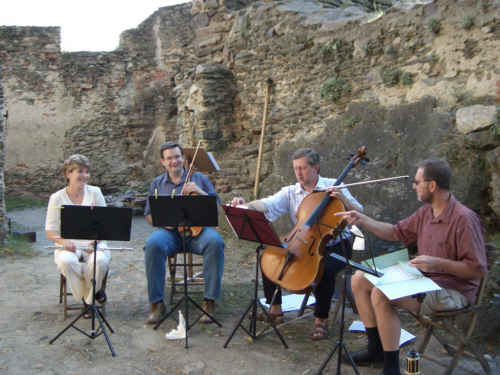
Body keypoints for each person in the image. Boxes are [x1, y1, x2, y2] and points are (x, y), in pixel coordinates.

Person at [337, 159, 488, 375]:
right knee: (359, 278)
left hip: (451, 291)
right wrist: (362, 220)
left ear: (432, 185)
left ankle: (391, 367)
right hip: (422, 280)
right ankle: (375, 350)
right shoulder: (426, 212)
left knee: (381, 292)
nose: (414, 186)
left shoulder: (464, 219)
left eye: (417, 182)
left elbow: (477, 270)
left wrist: (438, 263)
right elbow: (394, 232)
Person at [230, 148, 363, 340]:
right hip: (302, 242)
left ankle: (320, 321)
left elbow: (359, 211)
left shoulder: (334, 186)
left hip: (336, 246)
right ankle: (275, 310)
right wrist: (246, 205)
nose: (299, 173)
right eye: (295, 169)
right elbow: (266, 204)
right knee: (270, 255)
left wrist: (342, 198)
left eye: (303, 168)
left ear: (316, 167)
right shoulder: (291, 192)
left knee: (323, 269)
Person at [143, 141, 225, 324]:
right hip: (170, 234)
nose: (174, 161)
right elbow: (148, 215)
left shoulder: (199, 179)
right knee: (153, 244)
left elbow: (217, 207)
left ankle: (209, 301)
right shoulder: (156, 184)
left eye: (177, 157)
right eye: (169, 158)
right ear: (163, 162)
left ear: (183, 158)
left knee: (215, 242)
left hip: (199, 231)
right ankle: (156, 303)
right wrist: (163, 222)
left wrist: (198, 191)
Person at [45, 154, 110, 312]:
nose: (85, 176)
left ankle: (87, 302)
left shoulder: (95, 192)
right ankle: (93, 294)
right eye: (80, 171)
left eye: (87, 172)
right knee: (67, 262)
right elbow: (50, 230)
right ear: (68, 173)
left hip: (94, 243)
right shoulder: (56, 198)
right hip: (68, 245)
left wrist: (95, 241)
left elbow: (106, 224)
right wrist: (63, 242)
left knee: (99, 261)